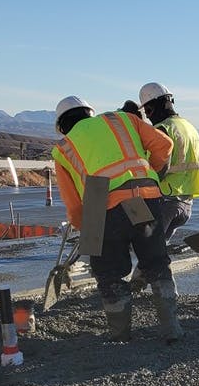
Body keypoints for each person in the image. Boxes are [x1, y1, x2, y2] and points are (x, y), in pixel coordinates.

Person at [51, 96, 181, 343]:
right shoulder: (121, 119)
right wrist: (150, 172)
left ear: (62, 126)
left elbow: (75, 205)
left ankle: (120, 335)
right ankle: (172, 329)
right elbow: (164, 144)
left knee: (109, 273)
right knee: (156, 263)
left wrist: (86, 230)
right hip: (142, 195)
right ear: (89, 113)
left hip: (99, 203)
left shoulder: (63, 148)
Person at [138, 82, 199, 243]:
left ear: (157, 105)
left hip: (166, 201)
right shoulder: (189, 127)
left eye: (148, 110)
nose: (148, 116)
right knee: (158, 249)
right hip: (185, 204)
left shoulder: (163, 129)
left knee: (146, 248)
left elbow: (159, 169)